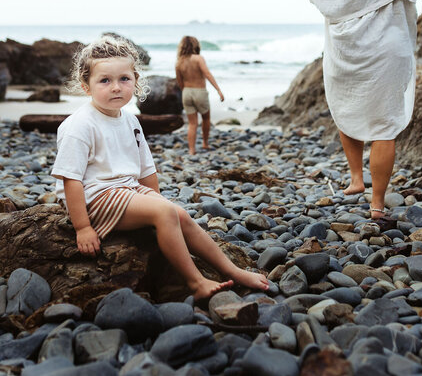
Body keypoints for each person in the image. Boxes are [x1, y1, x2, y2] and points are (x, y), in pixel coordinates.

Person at [51, 36, 268, 299]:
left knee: (179, 214)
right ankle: (196, 283)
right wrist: (82, 227)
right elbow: (70, 180)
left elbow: (146, 171)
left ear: (136, 80)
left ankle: (232, 270)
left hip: (125, 190)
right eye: (105, 81)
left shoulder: (130, 120)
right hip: (92, 197)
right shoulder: (80, 124)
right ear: (86, 86)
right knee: (165, 212)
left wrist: (155, 205)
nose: (116, 87)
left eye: (124, 79)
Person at [305, 0, 422, 224]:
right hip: (393, 43)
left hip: (353, 44)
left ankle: (357, 176)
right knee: (385, 126)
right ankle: (376, 203)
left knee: (347, 103)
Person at [174, 35, 224, 155]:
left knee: (192, 123)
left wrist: (185, 92)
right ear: (195, 45)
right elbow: (207, 73)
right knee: (206, 118)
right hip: (200, 92)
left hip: (186, 92)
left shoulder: (179, 62)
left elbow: (179, 82)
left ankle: (191, 149)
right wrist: (218, 90)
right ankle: (205, 143)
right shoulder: (198, 58)